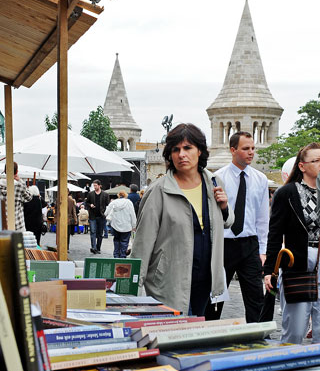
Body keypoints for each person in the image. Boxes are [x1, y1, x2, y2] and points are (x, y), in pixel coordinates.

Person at [130, 123, 233, 315]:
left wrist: (225, 207)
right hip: (170, 280)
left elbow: (227, 222)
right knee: (173, 334)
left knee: (196, 334)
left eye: (187, 148)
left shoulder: (214, 183)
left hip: (206, 279)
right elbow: (142, 245)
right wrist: (132, 292)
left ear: (200, 151)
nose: (181, 155)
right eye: (175, 149)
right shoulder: (159, 190)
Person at [206, 131, 269, 323]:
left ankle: (257, 338)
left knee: (256, 297)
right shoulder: (217, 178)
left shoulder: (260, 179)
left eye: (252, 148)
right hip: (224, 244)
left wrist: (263, 250)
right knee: (215, 297)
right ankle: (209, 335)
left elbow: (262, 218)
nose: (251, 152)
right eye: (245, 148)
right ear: (233, 150)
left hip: (250, 244)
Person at [264, 143, 320, 343]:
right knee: (295, 330)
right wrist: (269, 270)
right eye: (316, 160)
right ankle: (290, 366)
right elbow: (275, 234)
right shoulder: (286, 193)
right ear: (302, 166)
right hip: (298, 261)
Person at [0, 162, 32, 231]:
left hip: (1, 226)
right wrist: (20, 181)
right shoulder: (19, 186)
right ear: (16, 171)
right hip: (17, 225)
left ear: (5, 171)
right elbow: (29, 197)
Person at [105, 190, 136, 258]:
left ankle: (116, 255)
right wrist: (134, 225)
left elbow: (106, 213)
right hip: (126, 226)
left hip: (115, 225)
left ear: (118, 195)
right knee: (124, 242)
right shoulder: (129, 203)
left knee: (116, 240)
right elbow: (132, 214)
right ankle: (123, 256)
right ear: (125, 195)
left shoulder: (114, 202)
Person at [86, 179, 110, 254]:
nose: (94, 187)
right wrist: (90, 205)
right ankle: (94, 247)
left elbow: (108, 205)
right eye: (94, 185)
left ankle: (98, 247)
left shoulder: (105, 194)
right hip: (92, 216)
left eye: (96, 185)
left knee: (100, 233)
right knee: (92, 232)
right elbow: (87, 202)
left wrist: (105, 213)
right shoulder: (90, 194)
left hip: (101, 216)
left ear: (100, 186)